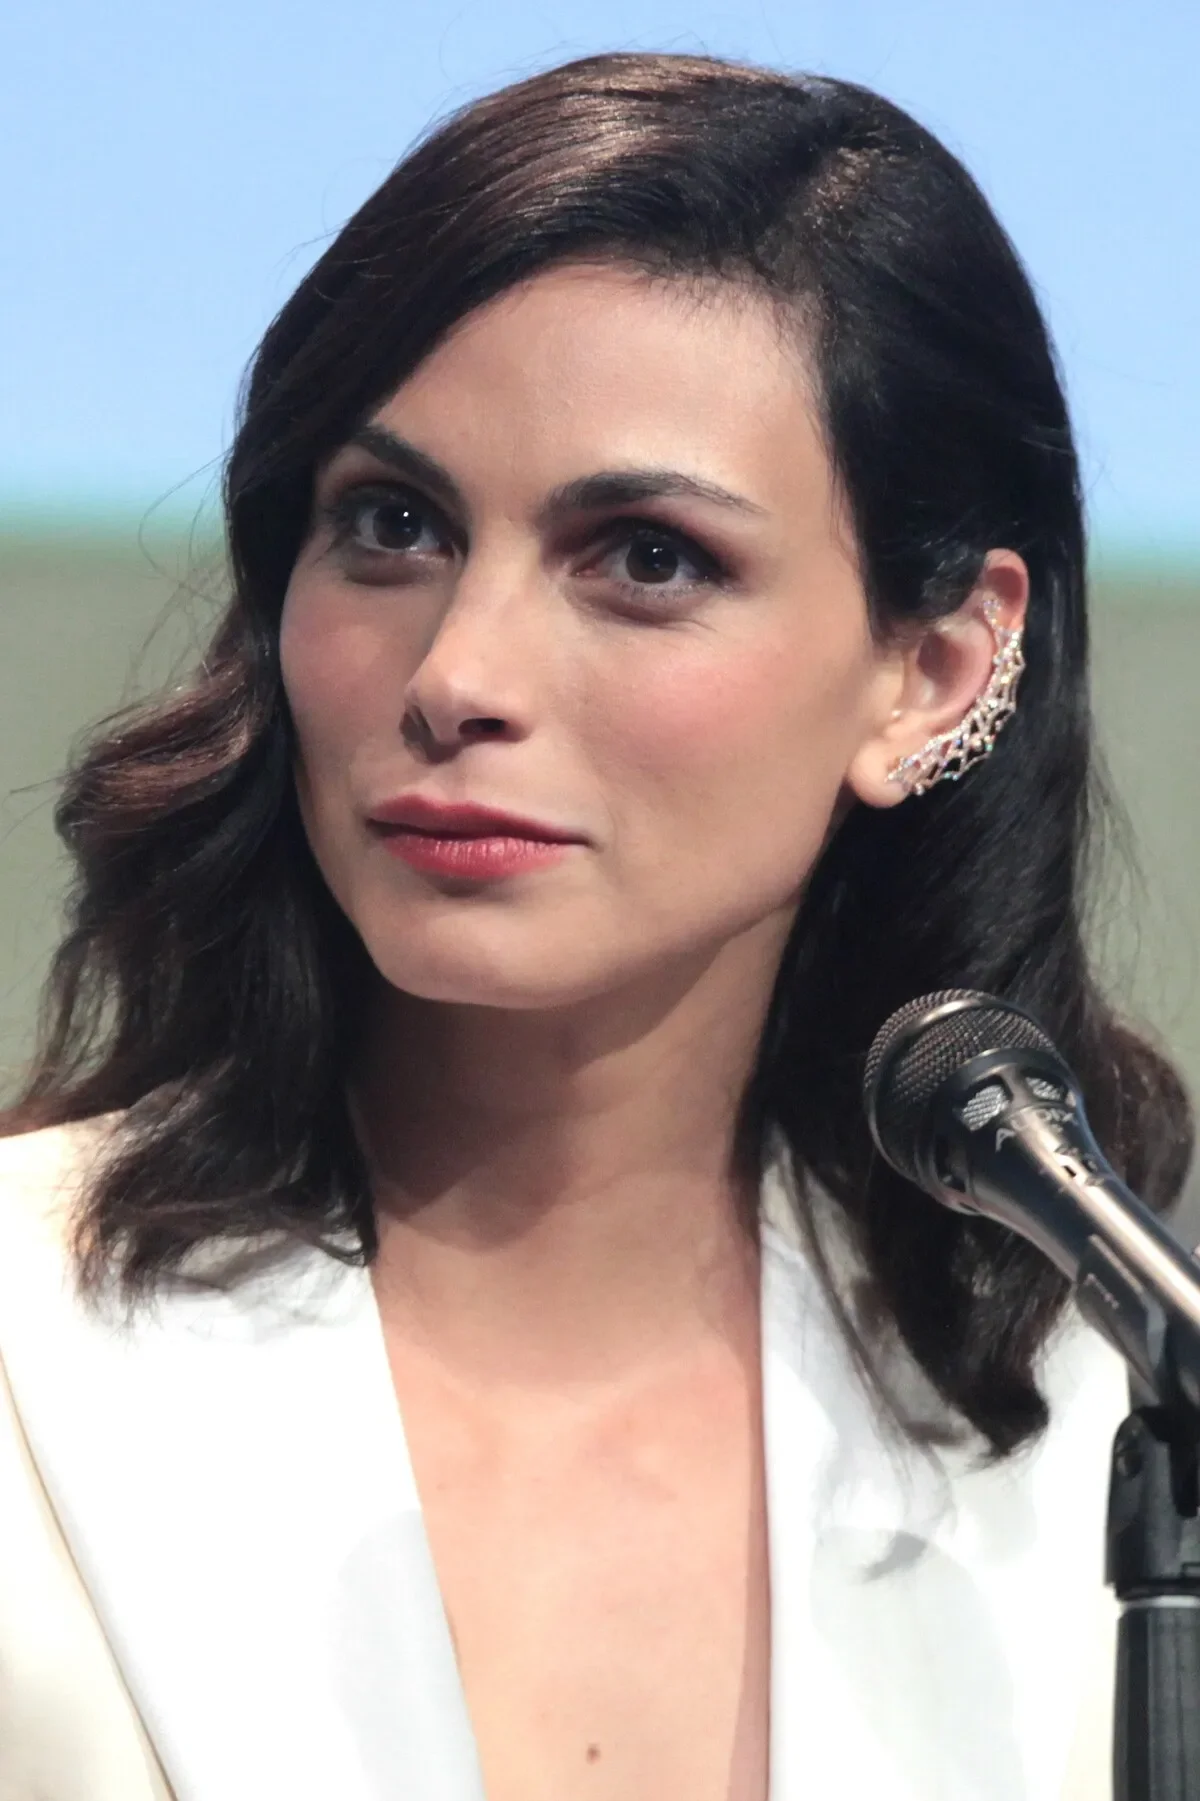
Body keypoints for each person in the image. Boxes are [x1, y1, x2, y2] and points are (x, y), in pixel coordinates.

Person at [0, 49, 1191, 1801]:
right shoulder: (26, 1349)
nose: (459, 675)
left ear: (932, 673)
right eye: (391, 527)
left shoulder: (1111, 1419)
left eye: (645, 558)